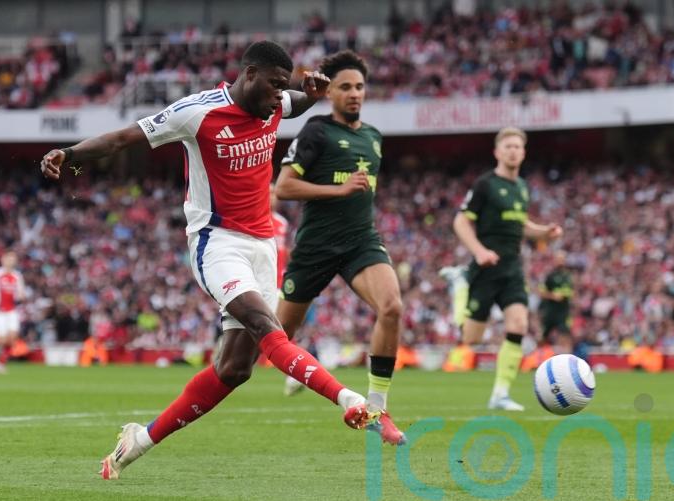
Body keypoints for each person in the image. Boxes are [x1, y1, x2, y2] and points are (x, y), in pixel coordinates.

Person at [39, 41, 406, 481]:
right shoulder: (197, 112)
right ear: (249, 74)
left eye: (282, 90)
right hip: (217, 243)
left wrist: (311, 90)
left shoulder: (274, 101)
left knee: (234, 369)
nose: (278, 98)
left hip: (262, 246)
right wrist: (70, 153)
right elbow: (124, 137)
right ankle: (350, 401)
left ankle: (139, 440)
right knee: (266, 325)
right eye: (274, 86)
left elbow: (299, 100)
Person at [274, 50, 404, 438]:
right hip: (316, 246)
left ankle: (377, 410)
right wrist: (339, 188)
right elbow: (284, 187)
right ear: (329, 91)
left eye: (360, 86)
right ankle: (300, 369)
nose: (354, 93)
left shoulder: (374, 138)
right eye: (345, 86)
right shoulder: (316, 130)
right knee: (274, 339)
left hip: (361, 242)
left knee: (392, 307)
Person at [453, 127, 563, 411]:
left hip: (513, 268)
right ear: (497, 152)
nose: (513, 150)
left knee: (519, 325)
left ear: (523, 152)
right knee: (470, 339)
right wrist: (479, 252)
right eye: (508, 146)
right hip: (486, 267)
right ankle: (457, 287)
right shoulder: (485, 184)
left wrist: (544, 232)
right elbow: (461, 221)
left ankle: (500, 394)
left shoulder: (522, 188)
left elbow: (521, 224)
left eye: (518, 146)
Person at [538, 250, 574, 350]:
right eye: (558, 259)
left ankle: (568, 360)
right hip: (549, 311)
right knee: (543, 337)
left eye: (562, 259)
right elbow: (541, 292)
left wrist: (557, 295)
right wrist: (552, 295)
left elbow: (568, 293)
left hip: (563, 313)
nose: (560, 261)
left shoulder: (567, 277)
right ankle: (539, 360)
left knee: (565, 337)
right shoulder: (549, 276)